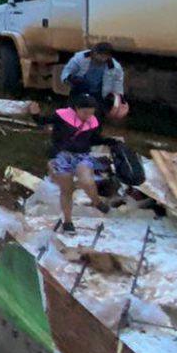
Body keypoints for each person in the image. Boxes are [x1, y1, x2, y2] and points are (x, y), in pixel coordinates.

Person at [35, 92, 112, 232]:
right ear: (76, 108)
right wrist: (35, 113)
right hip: (61, 155)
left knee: (87, 181)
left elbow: (94, 139)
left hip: (82, 155)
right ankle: (68, 221)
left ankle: (96, 201)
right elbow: (42, 121)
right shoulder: (62, 116)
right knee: (67, 189)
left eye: (91, 113)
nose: (87, 116)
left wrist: (109, 141)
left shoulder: (93, 121)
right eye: (85, 112)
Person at [58, 42, 130, 122]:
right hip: (80, 89)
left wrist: (119, 97)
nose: (99, 57)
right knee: (72, 112)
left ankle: (93, 132)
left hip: (98, 93)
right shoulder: (80, 57)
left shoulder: (115, 67)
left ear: (108, 56)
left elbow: (118, 83)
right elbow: (67, 70)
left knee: (95, 117)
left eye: (103, 56)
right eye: (97, 54)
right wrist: (69, 78)